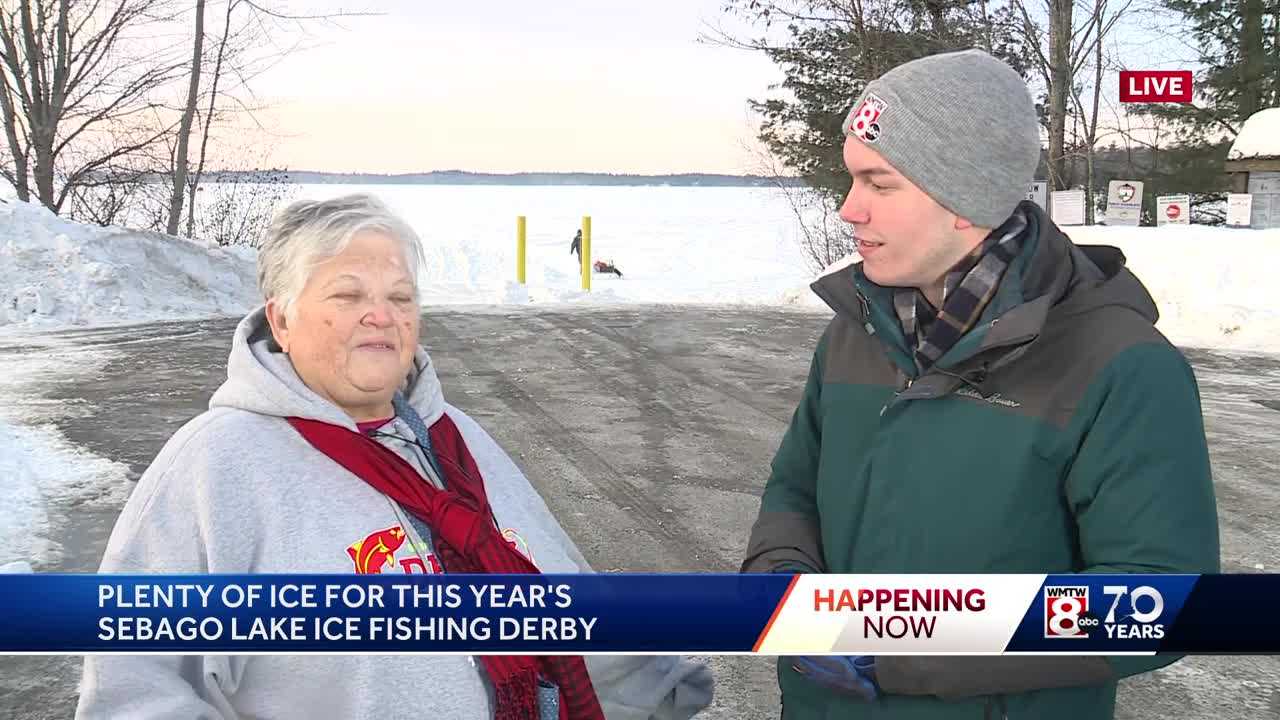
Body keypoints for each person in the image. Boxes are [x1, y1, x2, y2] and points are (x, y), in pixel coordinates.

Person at [76, 193, 713, 720]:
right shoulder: (215, 466)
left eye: (401, 298)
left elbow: (559, 595)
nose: (381, 316)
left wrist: (654, 685)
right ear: (283, 318)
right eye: (348, 296)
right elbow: (137, 692)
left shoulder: (456, 439)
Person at [741, 49, 1219, 719]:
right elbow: (795, 486)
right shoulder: (858, 329)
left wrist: (905, 650)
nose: (850, 209)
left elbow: (1158, 603)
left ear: (965, 200)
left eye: (879, 184)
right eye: (852, 180)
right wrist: (782, 582)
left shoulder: (1121, 366)